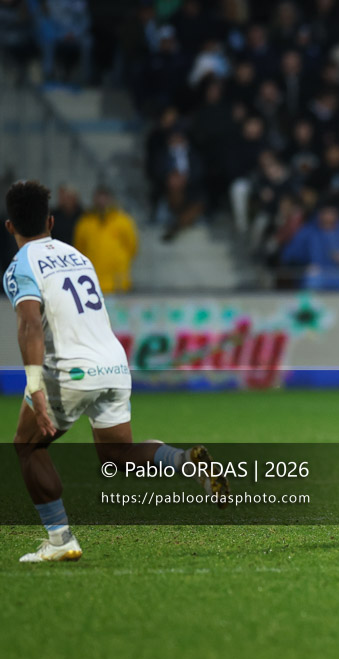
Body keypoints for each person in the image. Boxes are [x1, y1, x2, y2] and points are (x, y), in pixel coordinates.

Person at [3, 181, 230, 563]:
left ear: (10, 226)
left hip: (69, 372)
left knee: (28, 446)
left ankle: (60, 539)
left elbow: (29, 326)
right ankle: (185, 461)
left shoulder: (19, 266)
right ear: (51, 221)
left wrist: (35, 386)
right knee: (118, 453)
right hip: (113, 364)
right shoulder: (79, 256)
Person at [72, 186, 138, 293]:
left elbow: (132, 247)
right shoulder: (85, 223)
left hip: (118, 283)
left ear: (111, 199)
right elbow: (79, 250)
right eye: (99, 198)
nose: (102, 202)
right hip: (92, 284)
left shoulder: (123, 221)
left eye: (105, 198)